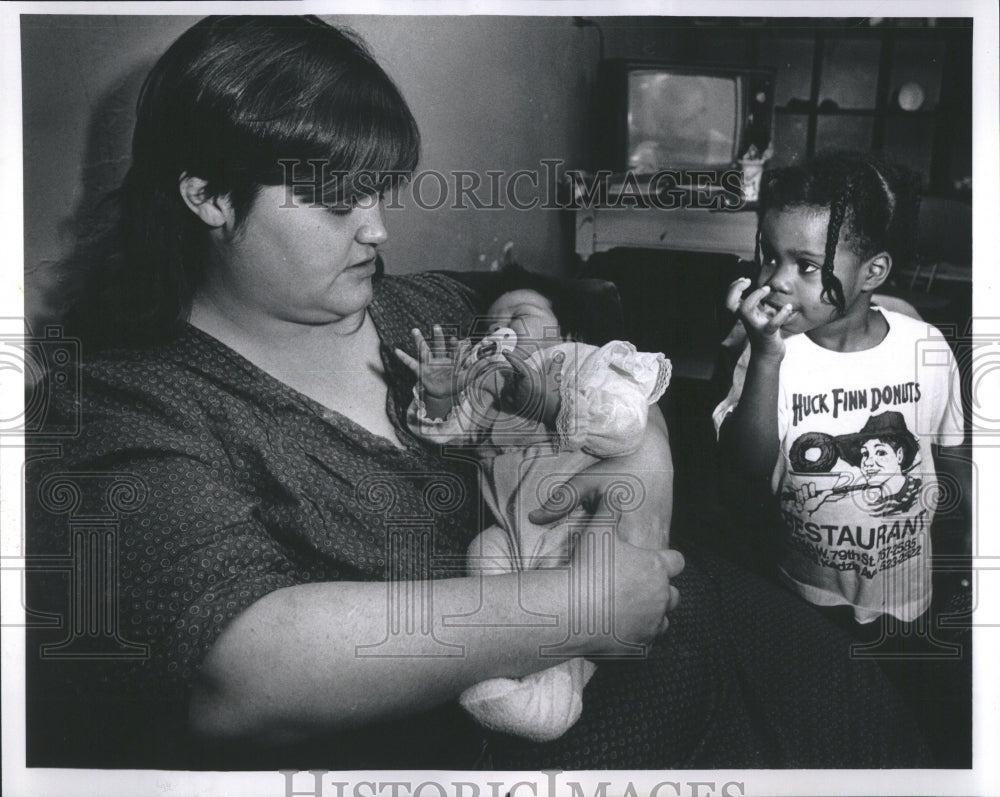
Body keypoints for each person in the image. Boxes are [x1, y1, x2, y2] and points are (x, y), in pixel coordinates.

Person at [26, 17, 931, 771]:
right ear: (209, 196)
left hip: (691, 612)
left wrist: (574, 366)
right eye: (339, 204)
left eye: (380, 192)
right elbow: (238, 669)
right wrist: (576, 612)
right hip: (544, 734)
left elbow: (548, 351)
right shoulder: (124, 402)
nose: (380, 227)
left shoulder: (408, 304)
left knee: (887, 738)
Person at [713, 150, 969, 762]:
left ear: (874, 270)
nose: (776, 280)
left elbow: (952, 453)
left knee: (898, 720)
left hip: (909, 588)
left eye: (805, 265)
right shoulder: (771, 353)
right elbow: (746, 470)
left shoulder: (925, 345)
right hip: (802, 588)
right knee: (818, 719)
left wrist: (965, 556)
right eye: (769, 255)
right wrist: (765, 356)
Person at [396, 280, 671, 741]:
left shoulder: (587, 360)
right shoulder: (486, 385)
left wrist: (547, 402)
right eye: (493, 323)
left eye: (518, 316)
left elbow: (626, 427)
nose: (501, 327)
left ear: (565, 328)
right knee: (483, 554)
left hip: (578, 528)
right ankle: (494, 656)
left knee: (583, 601)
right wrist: (442, 396)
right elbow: (449, 435)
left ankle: (554, 698)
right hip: (512, 529)